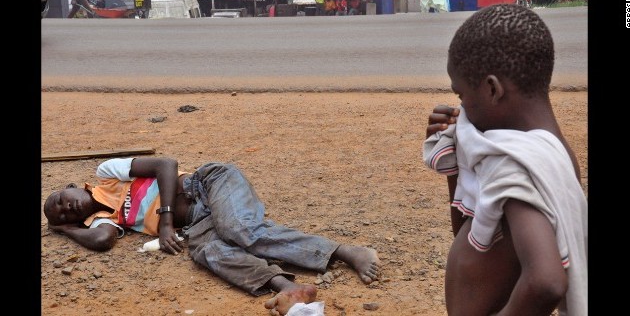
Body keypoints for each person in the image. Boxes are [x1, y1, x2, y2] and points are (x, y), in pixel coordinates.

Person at [44, 157, 380, 316]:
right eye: (63, 214)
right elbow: (102, 242)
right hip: (197, 224)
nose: (65, 207)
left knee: (239, 230)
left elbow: (165, 164)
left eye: (60, 199)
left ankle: (345, 251)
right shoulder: (104, 221)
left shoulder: (107, 175)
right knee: (208, 254)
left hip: (208, 184)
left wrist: (164, 222)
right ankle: (287, 288)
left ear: (74, 186)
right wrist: (66, 229)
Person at [423, 4, 587, 315]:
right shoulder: (550, 156)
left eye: (462, 96)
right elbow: (471, 233)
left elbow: (547, 281)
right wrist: (457, 163)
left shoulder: (516, 166)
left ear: (492, 89)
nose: (461, 107)